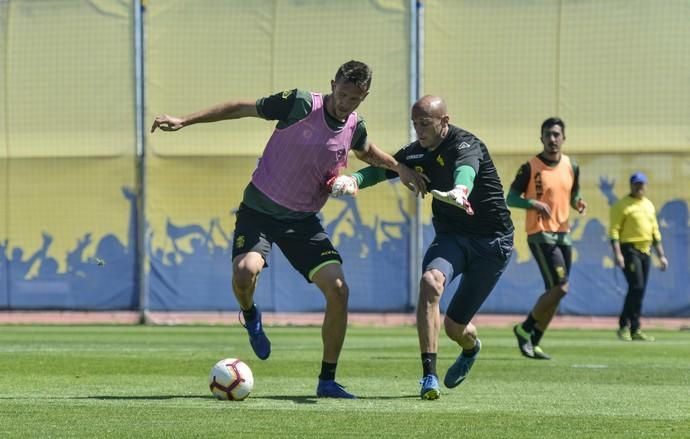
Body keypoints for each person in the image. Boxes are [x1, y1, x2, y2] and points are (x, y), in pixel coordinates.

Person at [151, 60, 426, 399]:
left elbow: (367, 153)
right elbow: (240, 108)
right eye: (341, 94)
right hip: (259, 212)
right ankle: (251, 315)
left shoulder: (355, 126)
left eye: (353, 98)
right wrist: (184, 120)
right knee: (244, 272)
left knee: (339, 291)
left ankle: (327, 381)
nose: (345, 103)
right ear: (332, 83)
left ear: (364, 96)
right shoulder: (299, 103)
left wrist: (400, 169)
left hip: (303, 223)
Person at [330, 95, 514, 400]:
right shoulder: (418, 152)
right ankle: (429, 376)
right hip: (453, 237)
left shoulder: (467, 145)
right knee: (430, 283)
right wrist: (354, 180)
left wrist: (460, 190)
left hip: (492, 243)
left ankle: (471, 347)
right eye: (415, 124)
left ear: (444, 122)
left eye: (425, 124)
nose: (419, 131)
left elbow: (465, 170)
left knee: (456, 329)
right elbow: (386, 167)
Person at [506, 117, 587, 360]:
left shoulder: (572, 166)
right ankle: (525, 329)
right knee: (561, 287)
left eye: (556, 134)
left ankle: (535, 341)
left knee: (555, 291)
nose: (552, 139)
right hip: (541, 234)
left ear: (564, 138)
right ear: (541, 138)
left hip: (564, 235)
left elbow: (573, 194)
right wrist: (533, 203)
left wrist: (578, 203)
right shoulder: (530, 167)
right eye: (548, 135)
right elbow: (510, 198)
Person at [609, 172, 668, 341]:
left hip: (646, 250)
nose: (639, 187)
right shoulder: (622, 205)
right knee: (636, 286)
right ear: (631, 185)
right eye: (636, 184)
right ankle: (623, 326)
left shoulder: (649, 205)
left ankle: (635, 328)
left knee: (640, 290)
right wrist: (618, 254)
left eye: (642, 184)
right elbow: (614, 231)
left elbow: (655, 232)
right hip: (629, 249)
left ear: (646, 185)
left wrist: (662, 256)